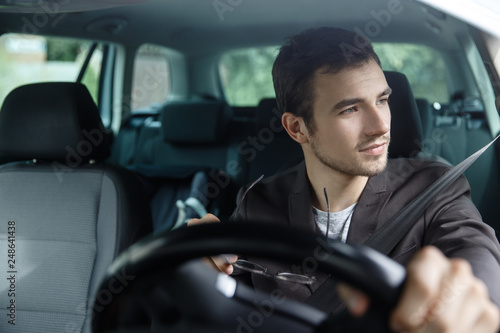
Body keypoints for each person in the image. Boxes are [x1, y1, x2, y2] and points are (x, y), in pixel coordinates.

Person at [189, 27, 500, 332]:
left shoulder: (435, 188)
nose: (380, 126)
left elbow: (476, 256)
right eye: (350, 109)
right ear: (297, 128)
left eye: (382, 100)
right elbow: (226, 309)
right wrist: (202, 267)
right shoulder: (256, 202)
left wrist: (466, 302)